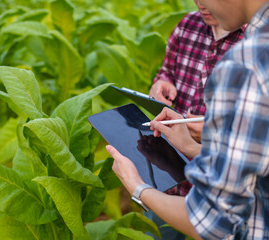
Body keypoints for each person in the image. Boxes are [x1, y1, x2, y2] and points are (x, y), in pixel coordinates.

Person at [107, 0, 269, 239]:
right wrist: (191, 146)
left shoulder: (248, 62)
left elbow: (210, 221)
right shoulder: (188, 27)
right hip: (174, 171)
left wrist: (136, 186)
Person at [150, 0, 245, 143]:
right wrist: (163, 83)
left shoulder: (259, 41)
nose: (201, 4)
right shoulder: (187, 25)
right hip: (174, 151)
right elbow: (167, 72)